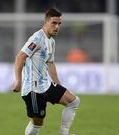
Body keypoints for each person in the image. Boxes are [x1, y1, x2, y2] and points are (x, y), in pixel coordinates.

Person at [12, 7, 80, 135]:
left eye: (59, 23)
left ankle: (63, 133)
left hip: (45, 85)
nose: (57, 27)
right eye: (53, 23)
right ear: (45, 23)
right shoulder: (37, 38)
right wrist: (18, 82)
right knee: (37, 123)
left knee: (74, 101)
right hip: (33, 89)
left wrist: (58, 85)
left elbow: (51, 63)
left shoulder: (51, 42)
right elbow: (20, 57)